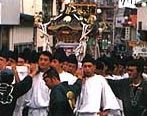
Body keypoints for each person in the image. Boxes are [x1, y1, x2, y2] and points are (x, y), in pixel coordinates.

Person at [26, 51, 52, 116]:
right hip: (31, 110)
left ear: (50, 62)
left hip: (45, 111)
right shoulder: (33, 75)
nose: (42, 62)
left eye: (45, 60)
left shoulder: (51, 76)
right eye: (41, 59)